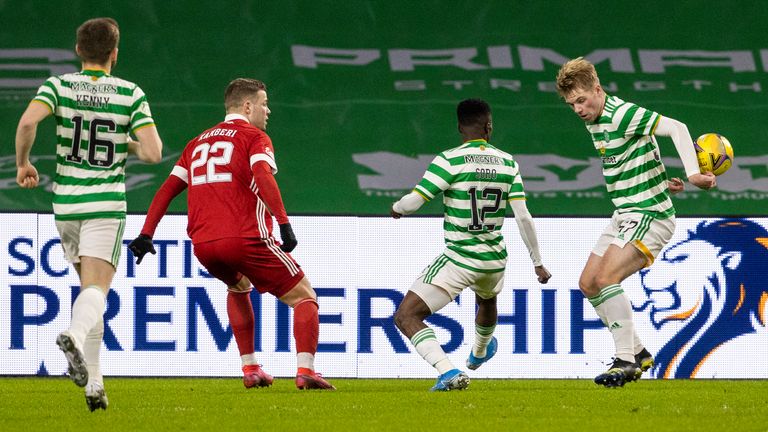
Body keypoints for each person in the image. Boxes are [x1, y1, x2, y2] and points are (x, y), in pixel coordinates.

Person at [127, 78, 335, 390]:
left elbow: (166, 190)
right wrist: (283, 222)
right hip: (245, 237)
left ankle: (250, 368)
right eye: (264, 104)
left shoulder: (196, 143)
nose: (268, 111)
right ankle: (306, 370)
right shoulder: (254, 137)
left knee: (238, 287)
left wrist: (146, 234)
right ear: (248, 106)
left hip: (203, 244)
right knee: (305, 296)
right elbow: (262, 175)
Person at [14, 17, 163, 411]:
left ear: (79, 51)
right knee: (98, 292)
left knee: (88, 292)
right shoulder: (129, 94)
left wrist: (23, 164)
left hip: (65, 204)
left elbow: (28, 121)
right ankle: (75, 337)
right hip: (104, 203)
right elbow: (152, 152)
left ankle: (95, 386)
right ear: (114, 53)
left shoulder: (58, 86)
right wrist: (124, 144)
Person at [555, 57, 717, 387]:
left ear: (597, 90)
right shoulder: (595, 120)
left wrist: (692, 173)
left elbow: (676, 128)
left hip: (649, 215)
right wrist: (660, 180)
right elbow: (642, 147)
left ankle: (624, 361)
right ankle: (640, 353)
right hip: (625, 213)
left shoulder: (621, 113)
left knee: (606, 277)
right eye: (572, 104)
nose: (578, 109)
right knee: (588, 283)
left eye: (582, 100)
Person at [391, 99, 552, 391]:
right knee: (487, 298)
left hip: (460, 258)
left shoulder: (450, 159)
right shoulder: (507, 162)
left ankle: (448, 371)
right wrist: (538, 262)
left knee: (406, 316)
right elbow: (523, 216)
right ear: (489, 126)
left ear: (459, 127)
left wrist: (398, 208)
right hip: (494, 260)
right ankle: (479, 352)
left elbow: (414, 201)